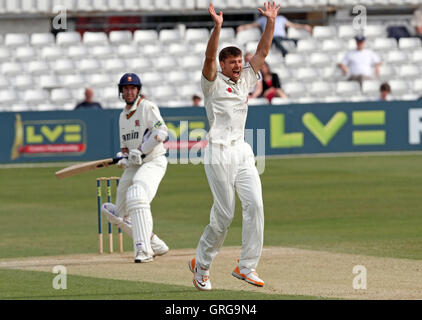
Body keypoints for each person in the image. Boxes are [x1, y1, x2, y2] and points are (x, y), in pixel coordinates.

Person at [188, 2, 279, 291]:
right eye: (233, 63)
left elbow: (263, 52)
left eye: (240, 61)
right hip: (217, 151)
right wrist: (217, 27)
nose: (239, 66)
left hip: (241, 150)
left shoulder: (247, 79)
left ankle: (246, 266)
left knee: (256, 205)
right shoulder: (212, 83)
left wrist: (271, 22)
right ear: (224, 65)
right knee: (225, 214)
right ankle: (202, 265)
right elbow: (208, 56)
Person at [101, 73, 169, 263]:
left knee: (137, 195)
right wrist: (123, 157)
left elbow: (162, 132)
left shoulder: (147, 107)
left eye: (132, 88)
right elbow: (124, 147)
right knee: (114, 213)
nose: (129, 91)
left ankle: (144, 251)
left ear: (138, 90)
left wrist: (141, 150)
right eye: (125, 89)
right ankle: (155, 243)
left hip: (153, 161)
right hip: (133, 165)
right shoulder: (122, 116)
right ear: (121, 91)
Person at [237, 11, 312, 57]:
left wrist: (304, 26)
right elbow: (253, 25)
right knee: (275, 38)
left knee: (294, 40)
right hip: (270, 38)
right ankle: (284, 52)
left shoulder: (282, 18)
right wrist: (243, 27)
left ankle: (295, 47)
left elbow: (293, 25)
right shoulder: (263, 19)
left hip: (282, 37)